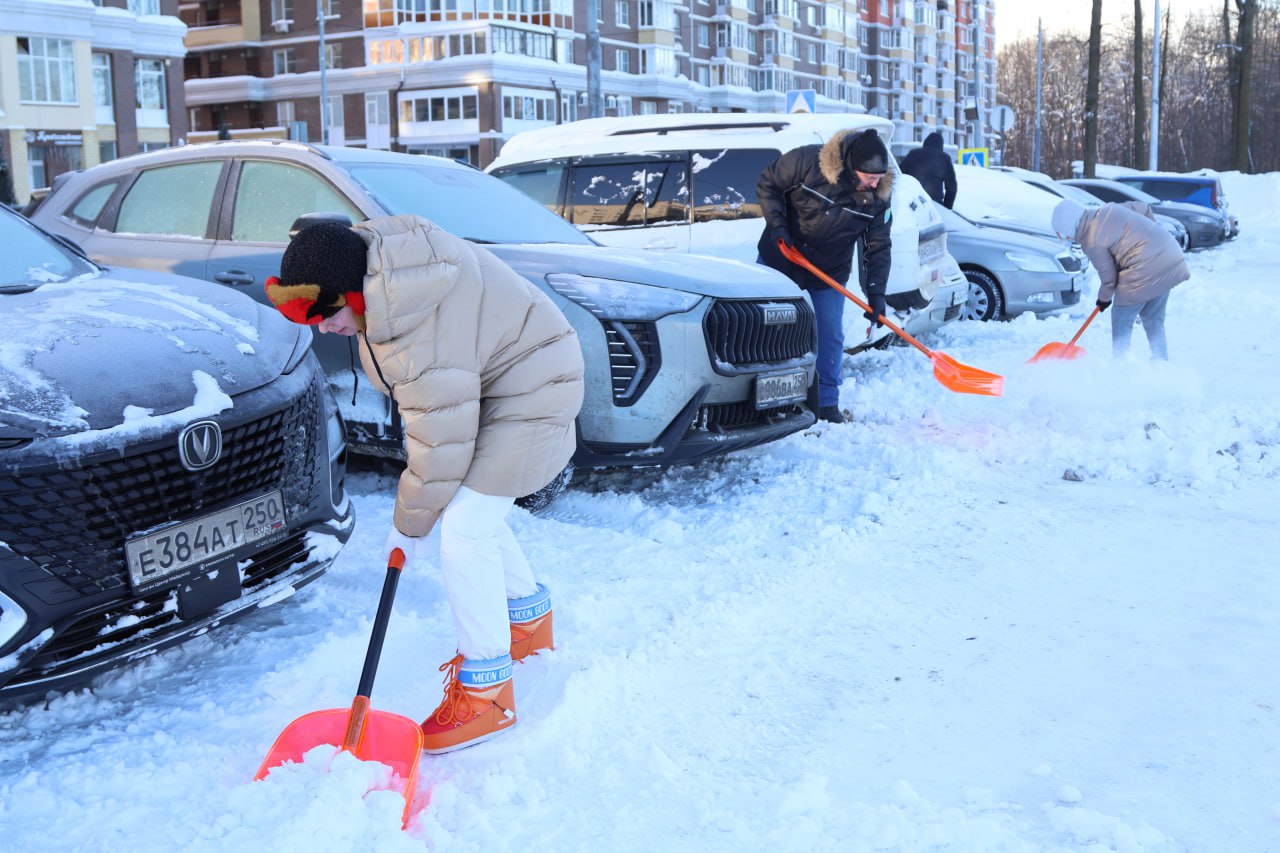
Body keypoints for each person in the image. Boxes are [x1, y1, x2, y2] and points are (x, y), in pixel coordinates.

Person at [265, 215, 585, 753]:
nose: (323, 329)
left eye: (327, 314)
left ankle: (488, 695)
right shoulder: (385, 284)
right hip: (503, 379)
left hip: (536, 385)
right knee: (473, 512)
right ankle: (528, 625)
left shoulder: (413, 320)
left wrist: (408, 528)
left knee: (464, 530)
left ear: (352, 292)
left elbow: (440, 441)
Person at [756, 128, 894, 425]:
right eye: (869, 177)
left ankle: (827, 402)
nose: (874, 183)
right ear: (851, 166)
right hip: (782, 257)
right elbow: (768, 182)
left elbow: (878, 245)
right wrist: (778, 228)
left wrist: (876, 293)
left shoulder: (878, 198)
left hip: (828, 269)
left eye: (879, 177)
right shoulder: (808, 161)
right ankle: (760, 399)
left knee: (830, 334)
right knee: (769, 330)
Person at [1051, 198, 1190, 360]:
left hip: (1143, 267)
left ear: (1070, 226)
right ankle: (1161, 359)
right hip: (1169, 255)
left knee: (1121, 315)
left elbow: (1109, 277)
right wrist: (1150, 239)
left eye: (1064, 234)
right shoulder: (1109, 209)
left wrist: (1103, 299)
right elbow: (1143, 208)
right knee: (1153, 317)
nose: (1068, 238)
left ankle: (1121, 362)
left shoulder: (1091, 240)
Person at [898, 131, 957, 209]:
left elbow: (899, 175)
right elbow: (952, 188)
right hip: (935, 204)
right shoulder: (945, 159)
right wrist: (946, 208)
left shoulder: (913, 154)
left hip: (913, 203)